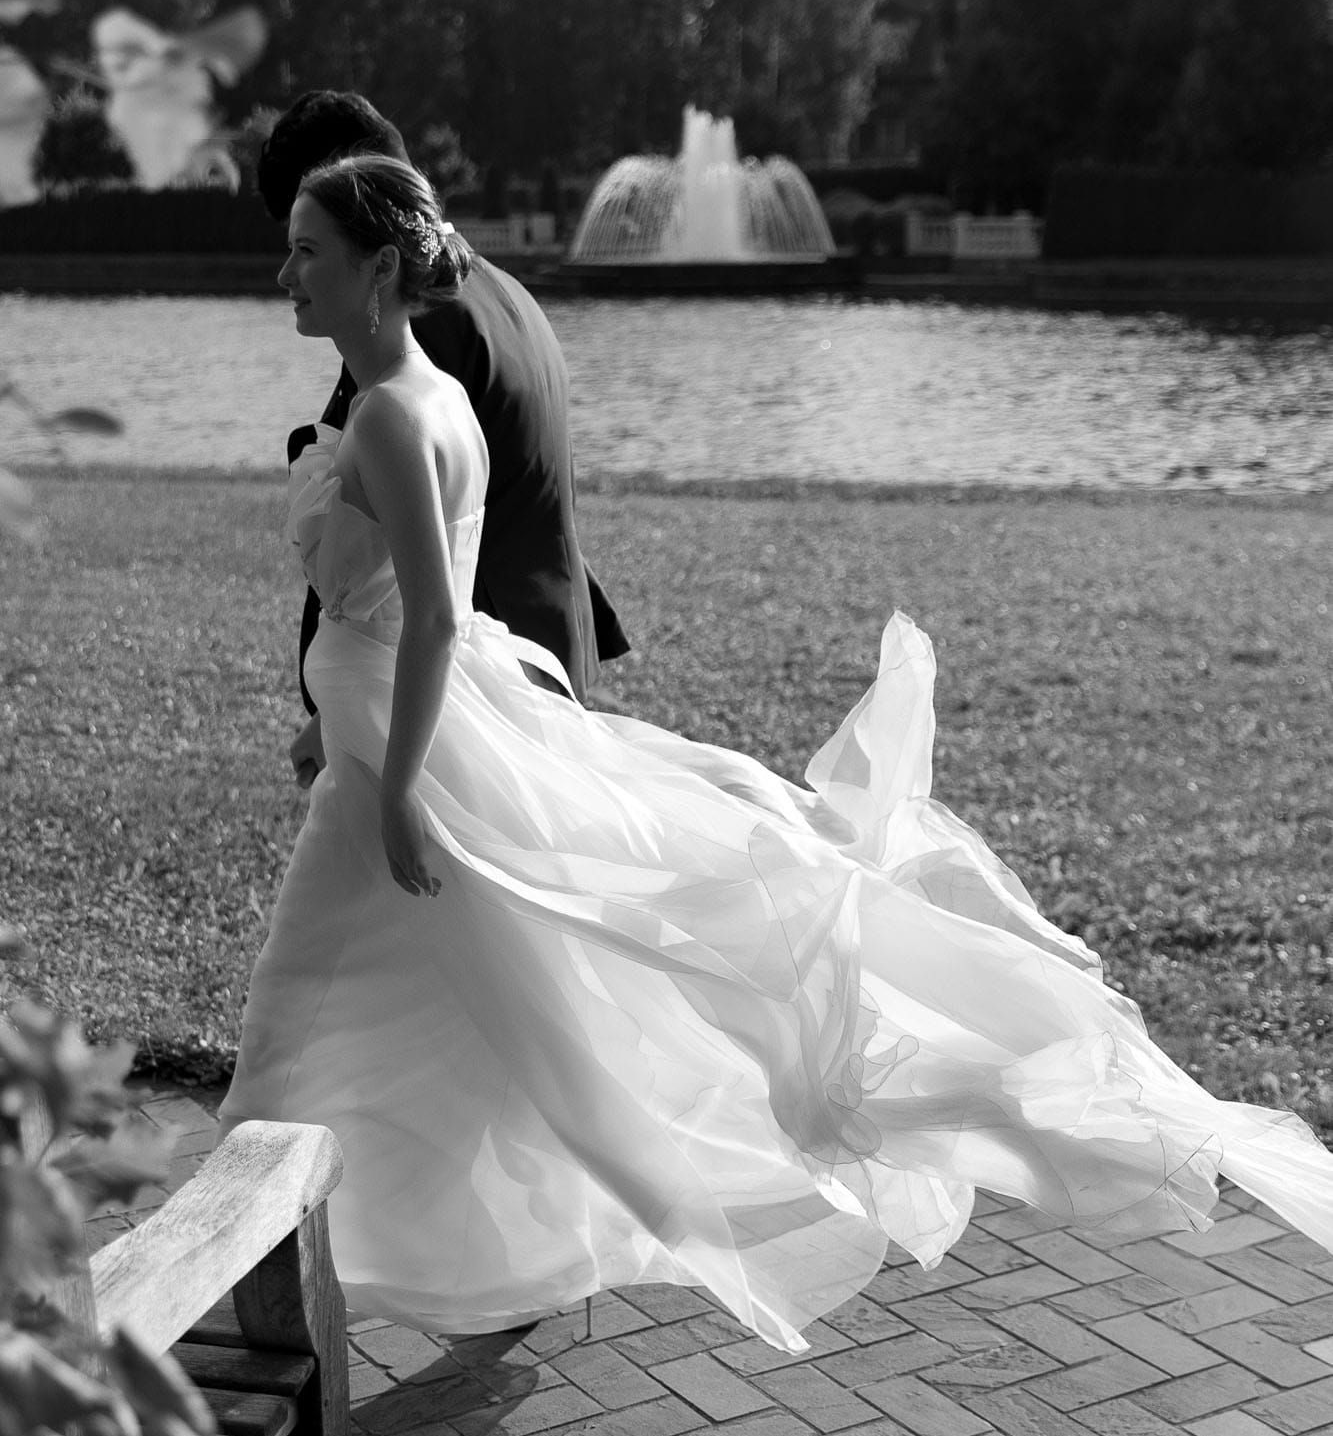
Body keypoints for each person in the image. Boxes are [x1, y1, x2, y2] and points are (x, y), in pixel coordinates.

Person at [220, 152, 1333, 1350]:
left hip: (407, 766)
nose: (286, 274)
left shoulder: (394, 414)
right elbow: (395, 606)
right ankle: (451, 1252)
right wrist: (336, 708)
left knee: (313, 1024)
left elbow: (437, 618)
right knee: (472, 1007)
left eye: (307, 252)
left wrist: (395, 786)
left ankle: (250, 1291)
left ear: (378, 268)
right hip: (397, 738)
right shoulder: (426, 393)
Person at [254, 89, 629, 792]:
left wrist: (350, 708)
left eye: (309, 241)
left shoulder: (412, 332)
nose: (290, 272)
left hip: (471, 689)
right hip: (539, 639)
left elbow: (392, 546)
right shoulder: (502, 291)